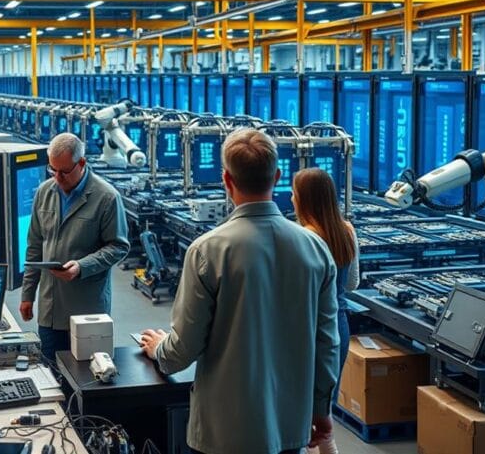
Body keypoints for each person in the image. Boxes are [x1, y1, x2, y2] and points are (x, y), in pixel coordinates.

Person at [140, 129, 340, 454]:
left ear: (226, 180)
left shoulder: (208, 250)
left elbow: (183, 349)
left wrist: (160, 348)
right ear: (277, 176)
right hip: (289, 427)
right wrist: (321, 408)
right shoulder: (315, 249)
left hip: (224, 432)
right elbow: (328, 343)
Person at [20, 133, 130, 362]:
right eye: (53, 170)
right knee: (52, 371)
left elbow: (118, 246)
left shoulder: (106, 197)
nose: (57, 178)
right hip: (50, 310)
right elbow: (35, 246)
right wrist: (27, 294)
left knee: (87, 376)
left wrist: (81, 267)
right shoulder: (44, 192)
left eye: (64, 172)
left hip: (87, 311)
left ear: (81, 163)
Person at [292, 168, 360, 454]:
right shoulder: (346, 229)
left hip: (306, 328)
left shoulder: (301, 237)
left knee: (299, 413)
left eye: (295, 194)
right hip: (339, 325)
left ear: (303, 200)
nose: (292, 199)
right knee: (324, 409)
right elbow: (353, 282)